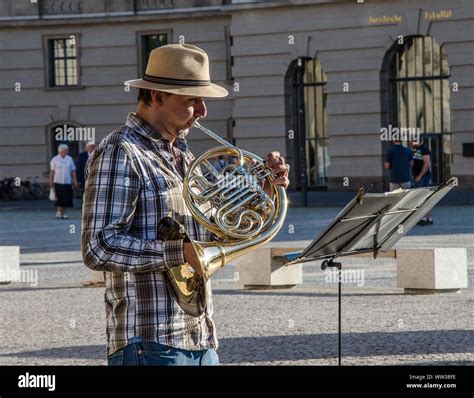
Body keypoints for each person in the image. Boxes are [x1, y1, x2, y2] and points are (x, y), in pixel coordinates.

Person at [81, 44, 290, 366]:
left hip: (199, 336)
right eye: (192, 100)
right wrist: (179, 254)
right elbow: (99, 247)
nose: (203, 111)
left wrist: (262, 191)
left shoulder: (183, 155)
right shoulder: (120, 151)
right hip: (149, 340)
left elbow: (214, 226)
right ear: (156, 97)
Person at [49, 144, 78, 219]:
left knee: (66, 197)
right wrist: (50, 180)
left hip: (67, 181)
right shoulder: (55, 159)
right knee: (59, 197)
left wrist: (74, 179)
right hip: (57, 181)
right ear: (61, 151)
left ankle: (63, 212)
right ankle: (59, 212)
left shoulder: (69, 159)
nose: (67, 151)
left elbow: (73, 170)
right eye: (66, 150)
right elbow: (52, 171)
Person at [411, 140, 433, 225]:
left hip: (423, 177)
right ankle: (424, 218)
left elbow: (426, 164)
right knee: (421, 198)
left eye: (413, 141)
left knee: (424, 198)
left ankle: (427, 218)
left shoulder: (424, 149)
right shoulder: (417, 150)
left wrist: (420, 175)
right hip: (418, 178)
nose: (412, 143)